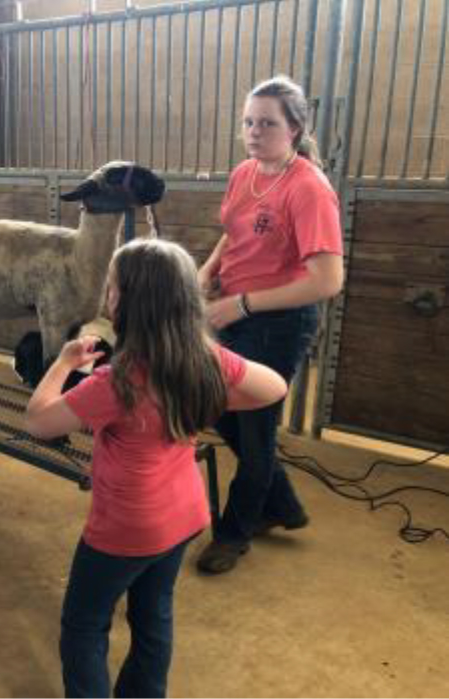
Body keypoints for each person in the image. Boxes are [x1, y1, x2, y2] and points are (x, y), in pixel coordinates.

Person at [25, 238, 288, 698]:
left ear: (129, 303)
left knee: (84, 625)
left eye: (111, 289)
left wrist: (63, 364)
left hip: (126, 528)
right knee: (153, 615)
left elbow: (39, 421)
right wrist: (217, 394)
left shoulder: (116, 381)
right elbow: (274, 387)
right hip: (184, 516)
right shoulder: (206, 361)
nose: (107, 297)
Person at [195, 75, 344, 575]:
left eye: (268, 123)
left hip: (278, 322)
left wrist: (244, 305)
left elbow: (327, 280)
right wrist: (211, 268)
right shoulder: (245, 173)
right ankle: (281, 505)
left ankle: (235, 532)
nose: (254, 132)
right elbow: (233, 232)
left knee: (256, 432)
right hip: (237, 308)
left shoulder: (309, 190)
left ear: (296, 128)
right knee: (219, 410)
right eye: (248, 122)